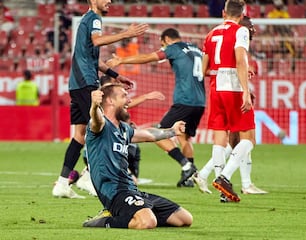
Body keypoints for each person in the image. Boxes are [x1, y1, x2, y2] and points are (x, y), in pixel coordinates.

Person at [52, 0, 148, 199]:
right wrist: (126, 34)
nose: (110, 1)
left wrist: (116, 75)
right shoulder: (94, 18)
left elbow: (93, 59)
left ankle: (62, 183)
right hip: (87, 82)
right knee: (104, 127)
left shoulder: (86, 20)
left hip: (77, 84)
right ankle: (88, 176)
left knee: (79, 134)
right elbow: (97, 41)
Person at [83, 83, 193, 229]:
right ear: (110, 101)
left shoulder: (124, 129)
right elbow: (96, 120)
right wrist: (95, 106)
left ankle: (135, 212)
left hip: (131, 189)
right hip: (114, 193)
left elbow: (149, 135)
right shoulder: (100, 125)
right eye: (124, 96)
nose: (129, 101)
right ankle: (104, 220)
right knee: (147, 222)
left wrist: (172, 131)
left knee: (184, 219)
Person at [106, 28, 205, 187]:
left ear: (166, 39)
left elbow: (148, 57)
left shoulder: (174, 48)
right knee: (184, 137)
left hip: (184, 99)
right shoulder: (196, 49)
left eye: (161, 44)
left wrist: (121, 60)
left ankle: (187, 167)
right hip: (200, 101)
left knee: (159, 132)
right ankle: (188, 179)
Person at [193, 15, 267, 201]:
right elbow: (240, 61)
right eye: (249, 25)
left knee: (221, 138)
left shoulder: (211, 33)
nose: (252, 29)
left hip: (215, 88)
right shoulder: (238, 33)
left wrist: (223, 70)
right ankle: (225, 178)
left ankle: (222, 188)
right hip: (232, 89)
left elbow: (203, 71)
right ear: (240, 17)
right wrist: (245, 91)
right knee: (247, 138)